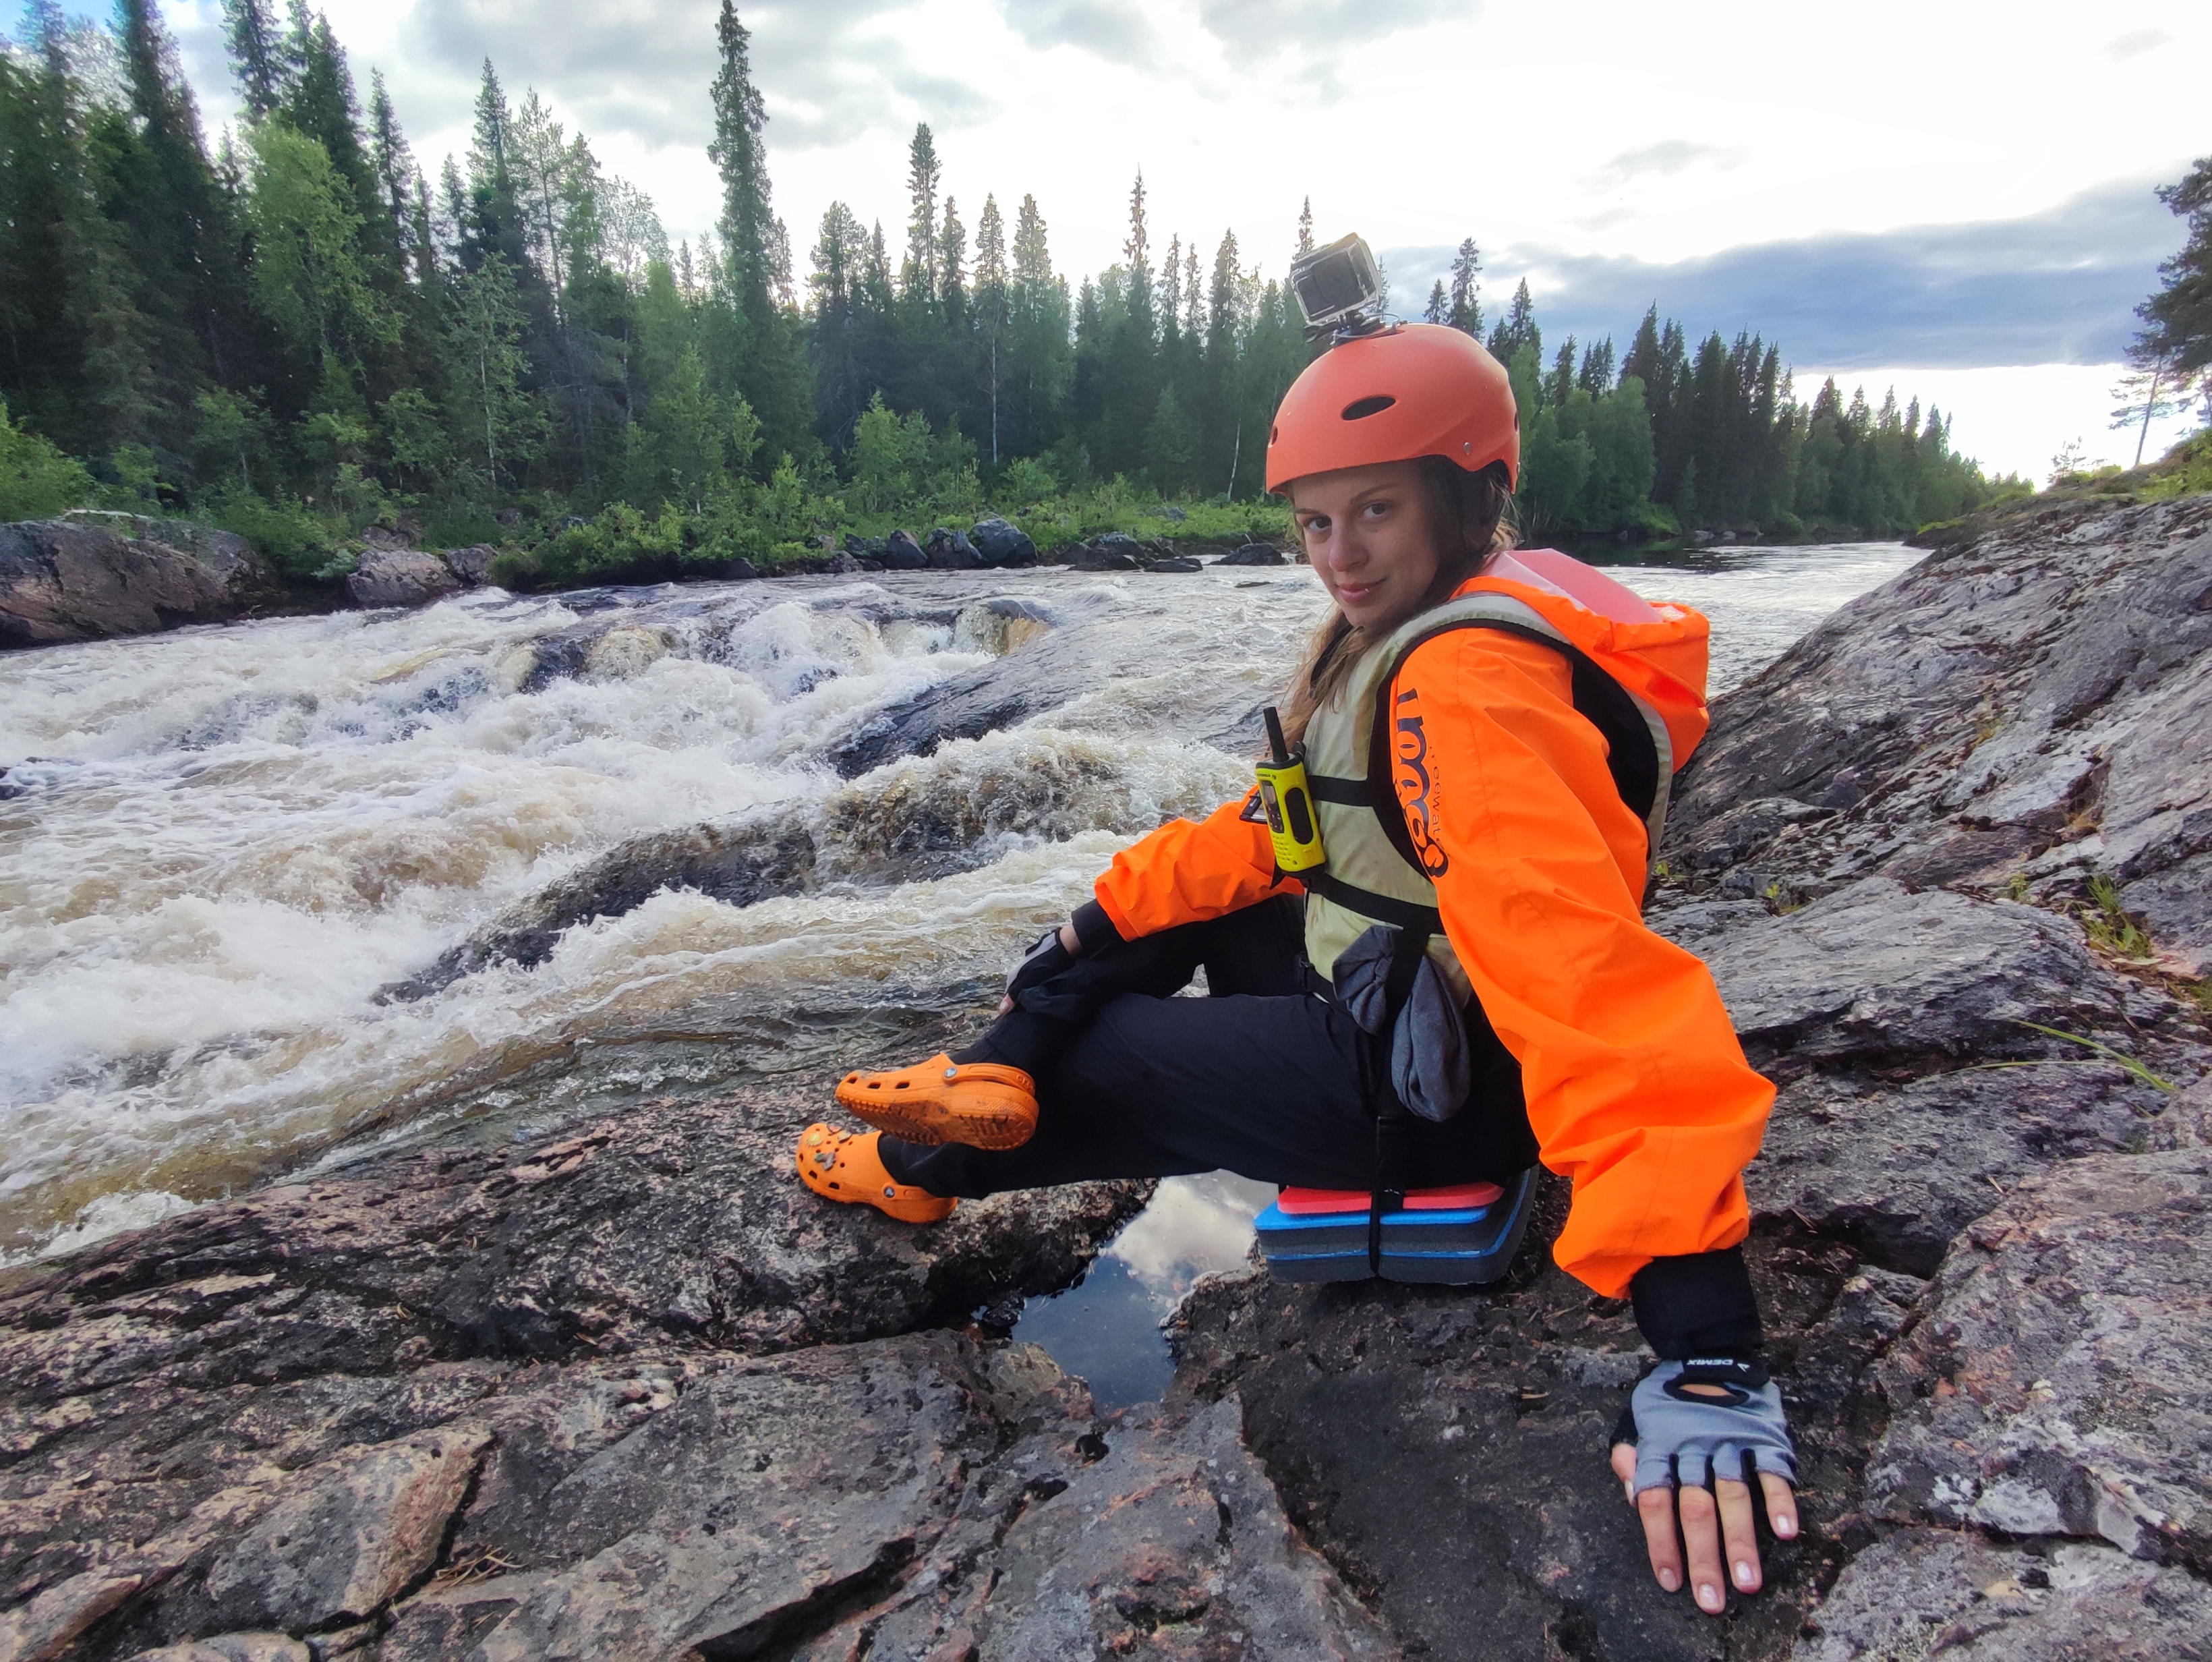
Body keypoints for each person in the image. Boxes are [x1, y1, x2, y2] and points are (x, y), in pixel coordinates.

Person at [795, 321, 1797, 1616]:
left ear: (1470, 495)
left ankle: (920, 1167)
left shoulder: (1463, 688)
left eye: (1376, 510)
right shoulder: (1473, 611)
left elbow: (1582, 977)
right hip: (1417, 1009)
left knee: (1109, 1046)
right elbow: (1291, 832)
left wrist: (1707, 1348)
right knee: (1153, 921)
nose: (1341, 556)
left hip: (1440, 1091)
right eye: (1318, 521)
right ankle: (1001, 1066)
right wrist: (1089, 930)